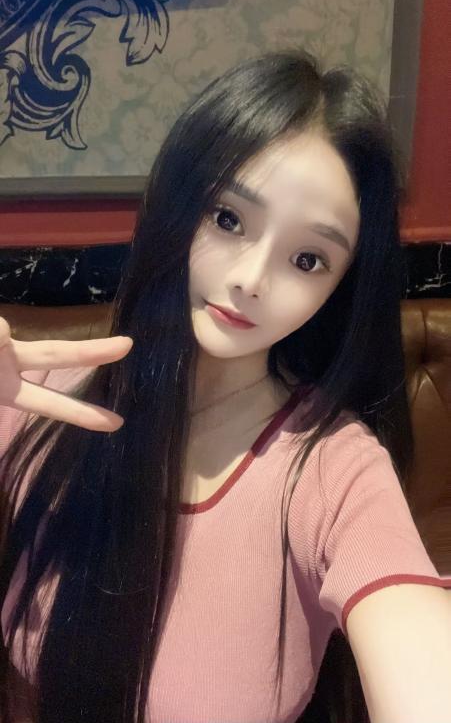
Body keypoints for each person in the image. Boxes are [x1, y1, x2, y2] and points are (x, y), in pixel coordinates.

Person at [0, 48, 450, 723]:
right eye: (228, 219)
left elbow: (411, 635)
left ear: (340, 286)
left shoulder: (330, 468)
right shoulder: (38, 395)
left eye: (307, 258)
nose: (250, 279)